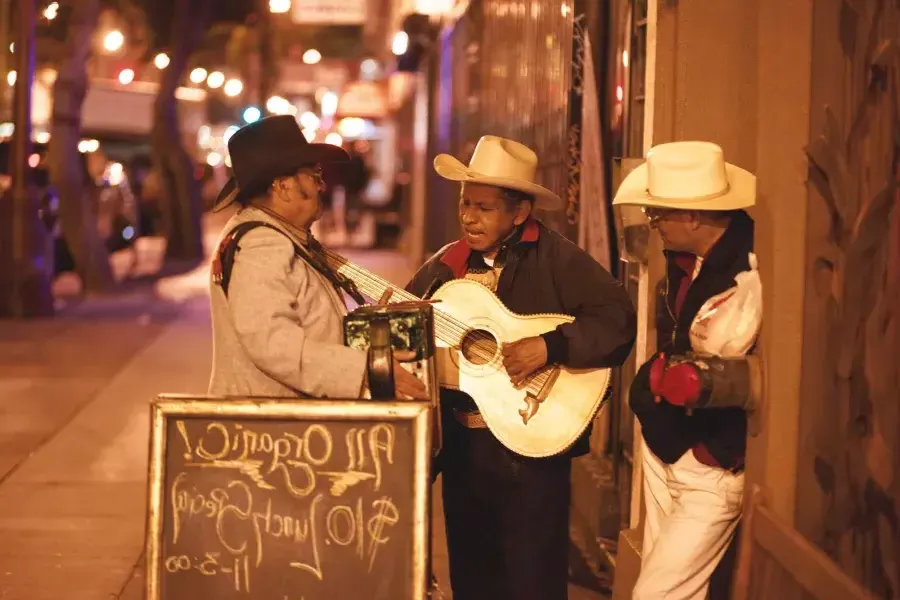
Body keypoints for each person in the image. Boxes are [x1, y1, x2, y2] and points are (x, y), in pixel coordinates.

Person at [405, 135, 637, 600]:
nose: (469, 216)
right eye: (466, 204)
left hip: (530, 449)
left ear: (519, 213)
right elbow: (407, 325)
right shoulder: (447, 265)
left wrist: (551, 346)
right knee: (472, 573)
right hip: (463, 447)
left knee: (532, 577)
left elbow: (617, 319)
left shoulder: (557, 258)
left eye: (485, 208)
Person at [612, 141, 757, 600]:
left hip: (711, 461)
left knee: (656, 594)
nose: (652, 225)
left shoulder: (747, 268)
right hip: (665, 442)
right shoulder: (683, 260)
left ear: (693, 216)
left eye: (659, 215)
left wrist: (708, 454)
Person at [206, 114, 426, 401]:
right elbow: (272, 344)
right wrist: (365, 369)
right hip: (272, 433)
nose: (321, 186)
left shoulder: (280, 237)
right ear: (283, 186)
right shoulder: (262, 244)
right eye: (314, 176)